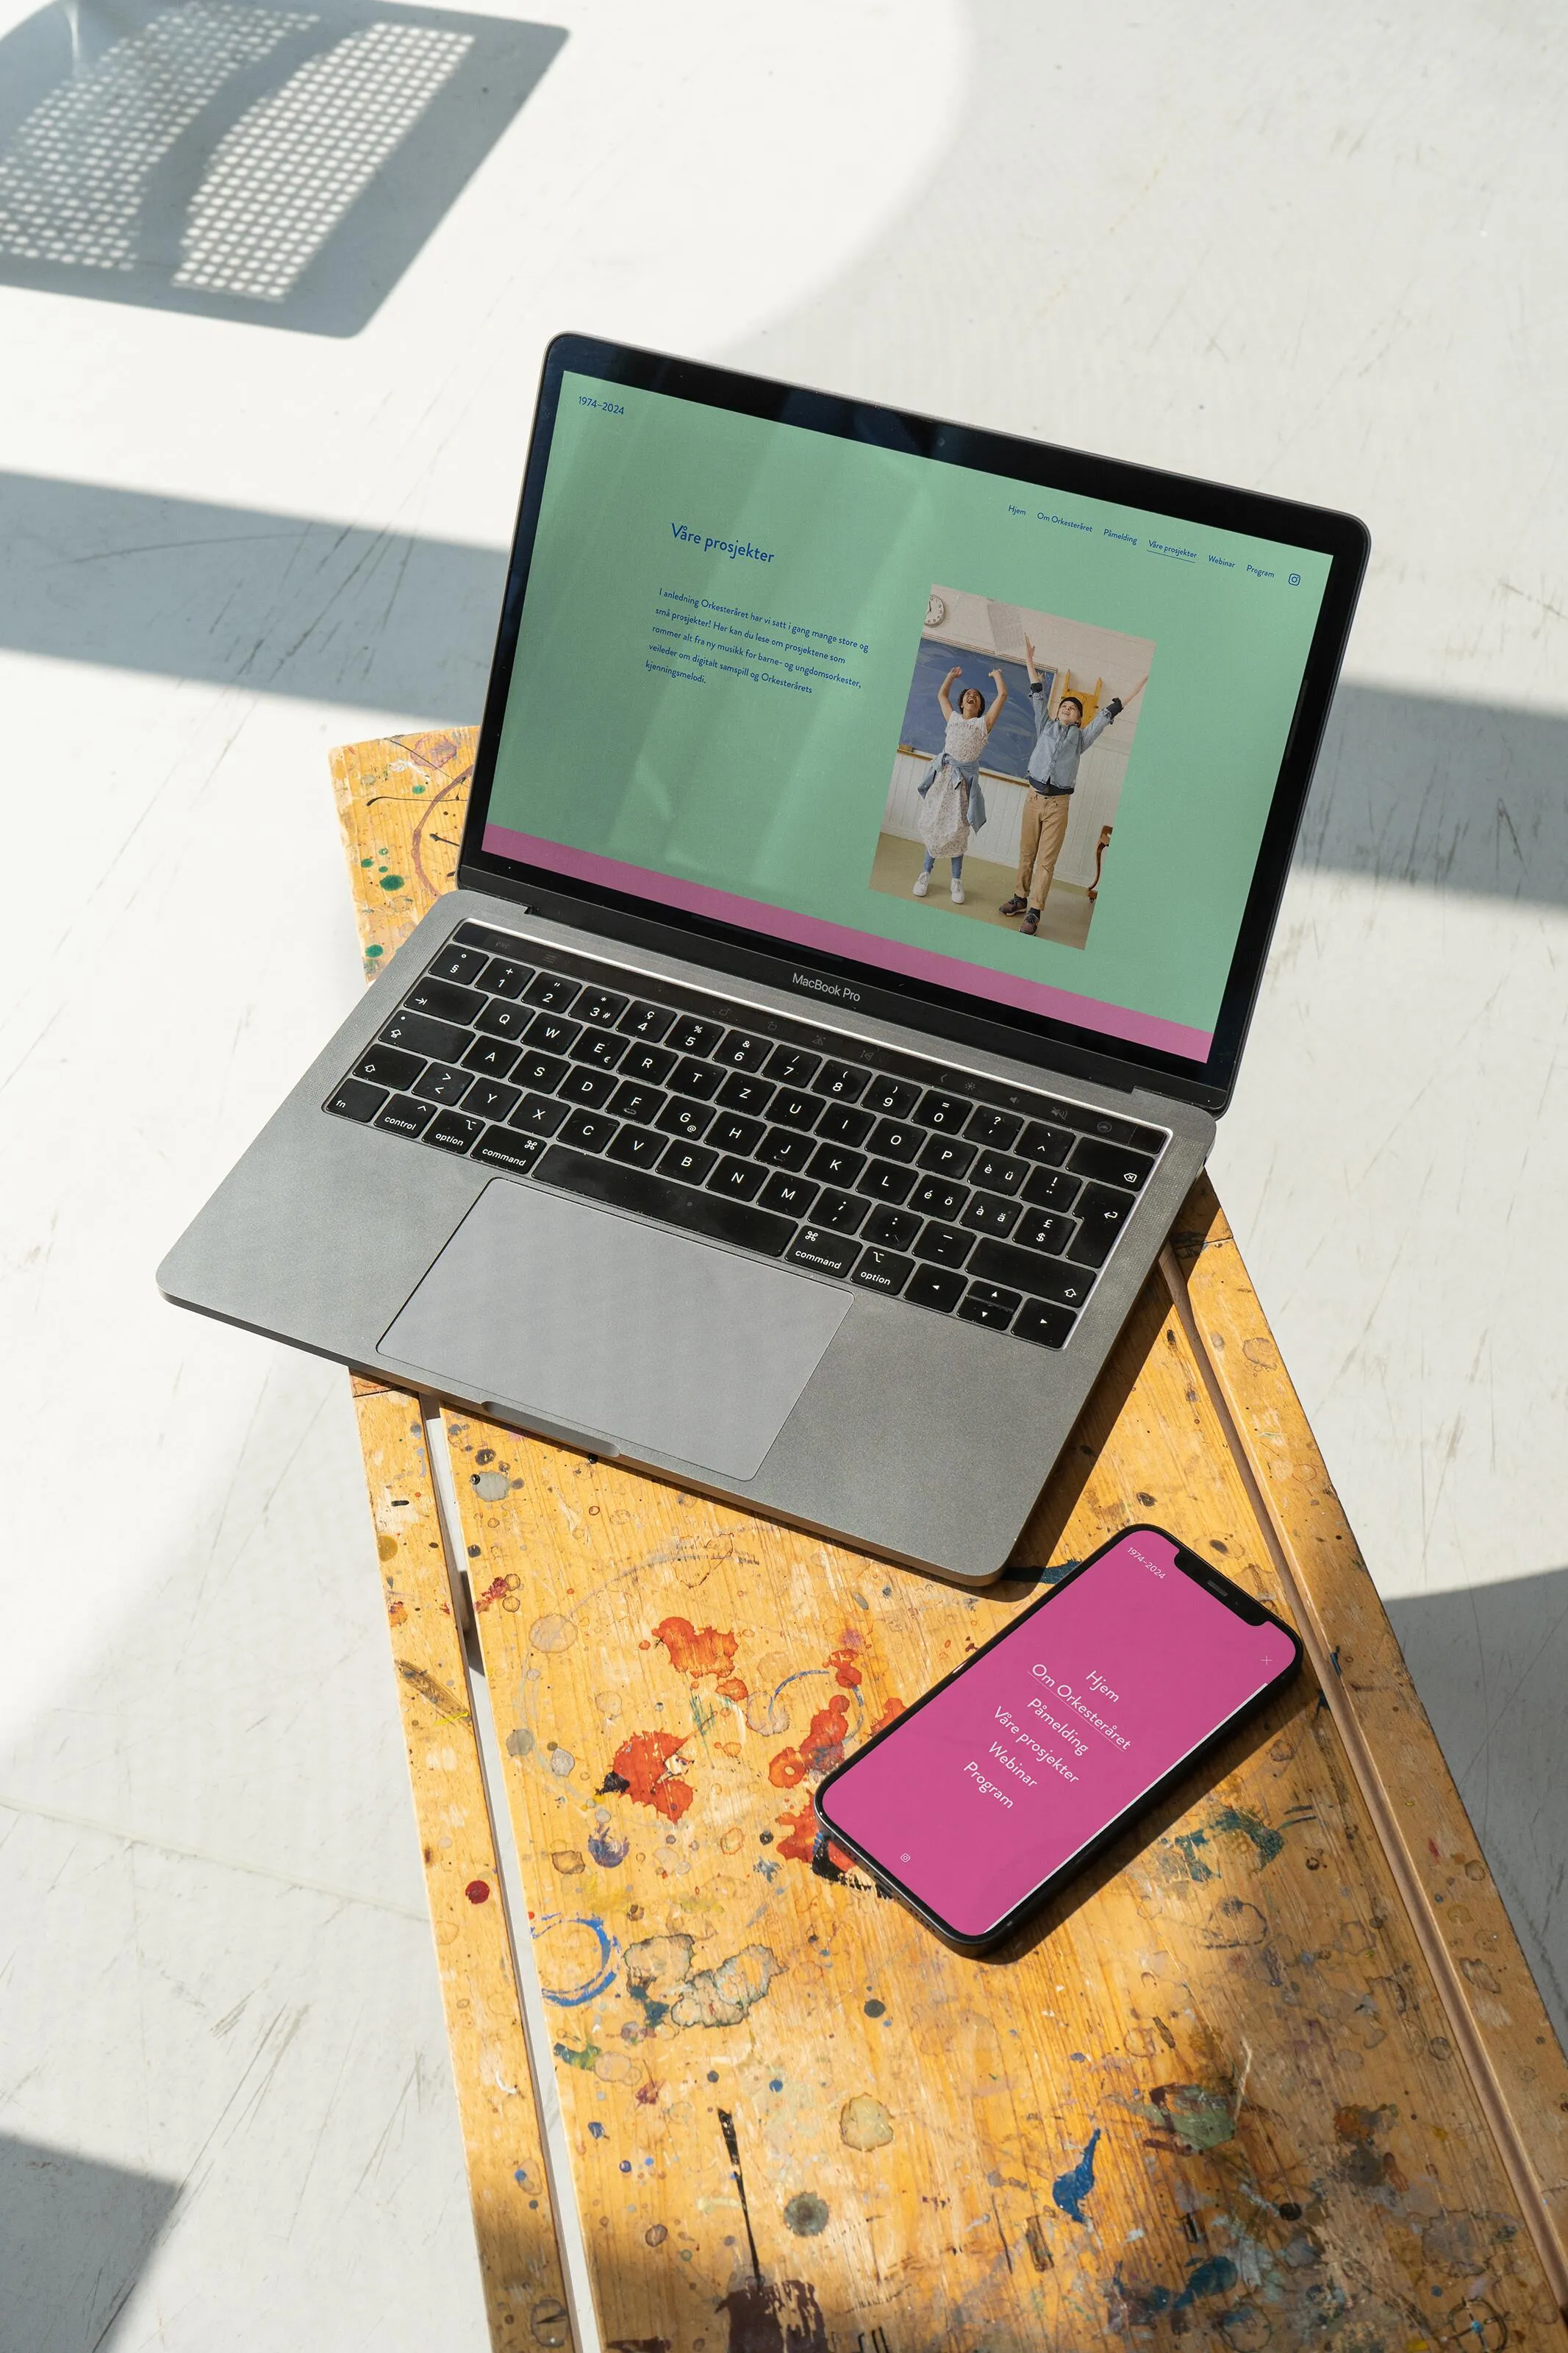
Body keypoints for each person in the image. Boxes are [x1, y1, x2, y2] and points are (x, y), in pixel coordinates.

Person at [999, 638, 1146, 935]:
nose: (1067, 708)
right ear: (1058, 712)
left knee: (1046, 861)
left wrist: (1133, 690)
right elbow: (1037, 693)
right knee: (1027, 853)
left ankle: (1035, 912)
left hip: (1058, 805)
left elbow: (1107, 715)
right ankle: (1020, 898)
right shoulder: (1046, 725)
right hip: (1033, 799)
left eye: (1073, 708)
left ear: (1079, 718)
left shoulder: (1081, 738)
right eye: (1064, 706)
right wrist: (1029, 660)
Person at [913, 665, 1006, 905]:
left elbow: (1003, 696)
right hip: (943, 780)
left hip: (963, 787)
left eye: (976, 696)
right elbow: (942, 695)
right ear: (962, 703)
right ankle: (925, 873)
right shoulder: (953, 718)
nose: (972, 696)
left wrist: (997, 676)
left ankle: (956, 880)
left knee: (958, 830)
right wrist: (950, 676)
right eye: (968, 695)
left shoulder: (983, 725)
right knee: (936, 825)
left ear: (980, 707)